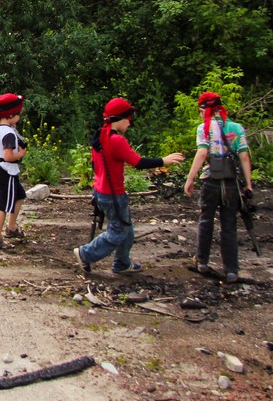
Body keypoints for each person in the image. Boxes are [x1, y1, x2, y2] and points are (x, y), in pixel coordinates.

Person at [75, 98, 184, 274]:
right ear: (120, 118)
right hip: (113, 194)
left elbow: (95, 164)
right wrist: (164, 160)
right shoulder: (116, 140)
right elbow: (138, 162)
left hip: (101, 190)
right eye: (129, 119)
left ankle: (122, 263)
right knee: (119, 230)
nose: (130, 124)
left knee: (127, 229)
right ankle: (85, 254)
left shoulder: (100, 136)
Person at [183, 92, 253, 283]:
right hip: (231, 183)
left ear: (203, 110)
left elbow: (202, 153)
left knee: (206, 220)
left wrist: (190, 179)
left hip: (211, 181)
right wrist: (248, 184)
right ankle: (231, 270)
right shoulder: (236, 128)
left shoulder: (204, 129)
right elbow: (244, 157)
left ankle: (202, 262)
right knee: (229, 225)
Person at [0, 93, 29, 250]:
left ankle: (11, 227)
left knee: (20, 195)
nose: (19, 117)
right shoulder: (9, 133)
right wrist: (21, 154)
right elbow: (8, 156)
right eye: (18, 114)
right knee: (3, 206)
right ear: (11, 115)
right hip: (7, 171)